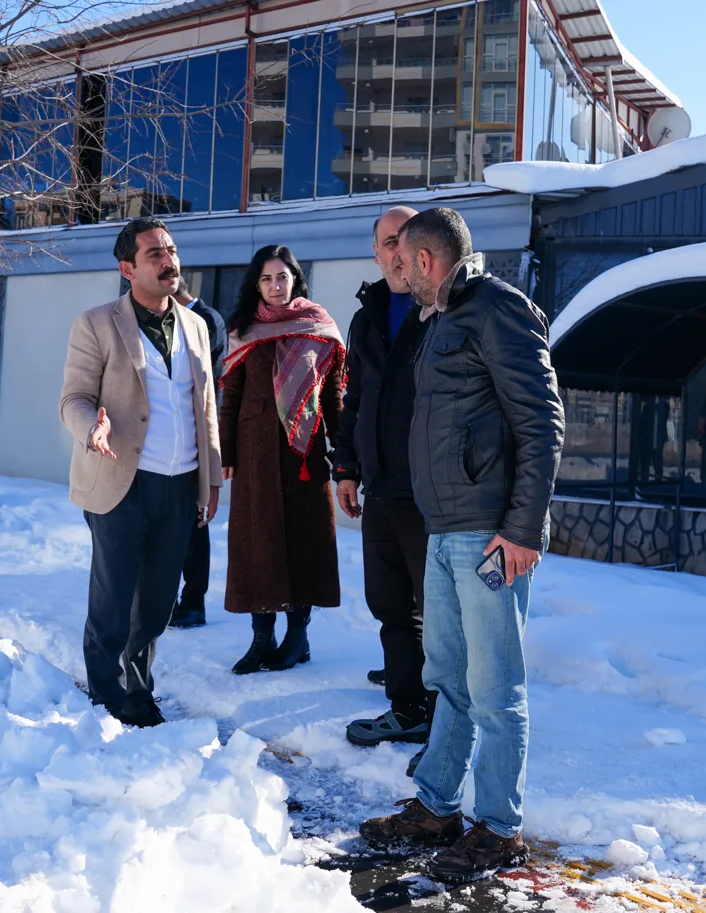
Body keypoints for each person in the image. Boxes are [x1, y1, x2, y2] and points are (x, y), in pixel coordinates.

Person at [360, 209, 564, 884]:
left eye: (402, 261)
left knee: (495, 687)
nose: (397, 274)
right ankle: (438, 807)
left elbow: (542, 420)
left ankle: (500, 828)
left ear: (425, 260)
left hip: (490, 533)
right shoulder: (441, 319)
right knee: (447, 677)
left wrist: (523, 529)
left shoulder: (497, 308)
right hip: (444, 530)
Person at [59, 216, 222, 728]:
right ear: (127, 269)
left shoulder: (196, 325)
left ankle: (138, 689)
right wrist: (92, 428)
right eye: (155, 254)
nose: (169, 260)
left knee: (155, 605)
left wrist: (211, 478)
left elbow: (206, 408)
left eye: (170, 250)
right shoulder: (96, 323)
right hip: (120, 484)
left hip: (179, 486)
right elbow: (73, 398)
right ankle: (109, 701)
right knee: (112, 603)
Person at [332, 206, 434, 765]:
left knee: (439, 610)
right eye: (389, 242)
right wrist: (346, 467)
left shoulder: (443, 309)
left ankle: (448, 717)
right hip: (381, 488)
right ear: (376, 253)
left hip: (433, 491)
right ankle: (408, 705)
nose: (399, 252)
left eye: (408, 240)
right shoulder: (366, 316)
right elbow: (355, 398)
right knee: (390, 603)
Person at [219, 244, 345, 674]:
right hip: (253, 455)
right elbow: (231, 395)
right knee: (258, 544)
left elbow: (333, 396)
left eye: (282, 277)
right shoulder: (243, 329)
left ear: (295, 280)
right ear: (256, 285)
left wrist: (344, 455)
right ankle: (261, 637)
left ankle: (297, 636)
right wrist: (226, 450)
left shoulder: (318, 326)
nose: (275, 286)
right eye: (267, 279)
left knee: (303, 541)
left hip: (304, 456)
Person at [169, 276, 227, 629]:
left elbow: (205, 380)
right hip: (178, 439)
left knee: (194, 525)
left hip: (198, 436)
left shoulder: (205, 320)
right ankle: (177, 601)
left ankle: (193, 604)